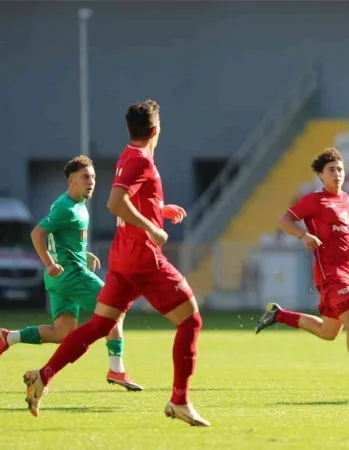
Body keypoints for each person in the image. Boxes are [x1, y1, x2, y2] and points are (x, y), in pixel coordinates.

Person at [22, 99, 211, 425]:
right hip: (143, 259)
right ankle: (179, 400)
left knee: (99, 325)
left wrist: (160, 212)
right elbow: (116, 202)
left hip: (123, 258)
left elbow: (131, 200)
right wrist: (153, 227)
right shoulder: (141, 161)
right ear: (156, 129)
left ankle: (43, 376)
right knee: (190, 322)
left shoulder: (128, 155)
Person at [0, 156, 141, 391]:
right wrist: (48, 263)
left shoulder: (76, 206)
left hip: (61, 278)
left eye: (94, 177)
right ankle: (116, 369)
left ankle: (8, 338)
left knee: (62, 333)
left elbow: (59, 238)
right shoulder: (66, 207)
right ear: (71, 180)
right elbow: (37, 234)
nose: (92, 181)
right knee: (114, 308)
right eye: (86, 177)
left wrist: (82, 253)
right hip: (70, 275)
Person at [255, 148, 349, 389]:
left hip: (345, 275)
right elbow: (284, 220)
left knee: (328, 332)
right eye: (331, 170)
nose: (337, 174)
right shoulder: (314, 201)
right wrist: (303, 235)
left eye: (340, 169)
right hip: (331, 275)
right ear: (320, 175)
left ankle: (278, 314)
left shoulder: (348, 201)